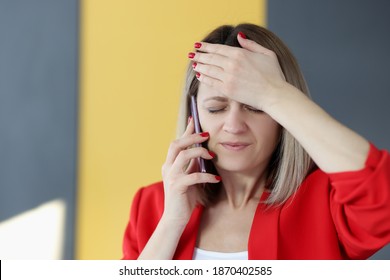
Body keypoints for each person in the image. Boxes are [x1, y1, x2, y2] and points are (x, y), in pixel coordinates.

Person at [122, 23, 390, 260]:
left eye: (256, 107)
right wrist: (171, 222)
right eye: (216, 108)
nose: (235, 126)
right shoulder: (152, 204)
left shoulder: (325, 203)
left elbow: (381, 194)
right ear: (193, 114)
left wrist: (273, 92)